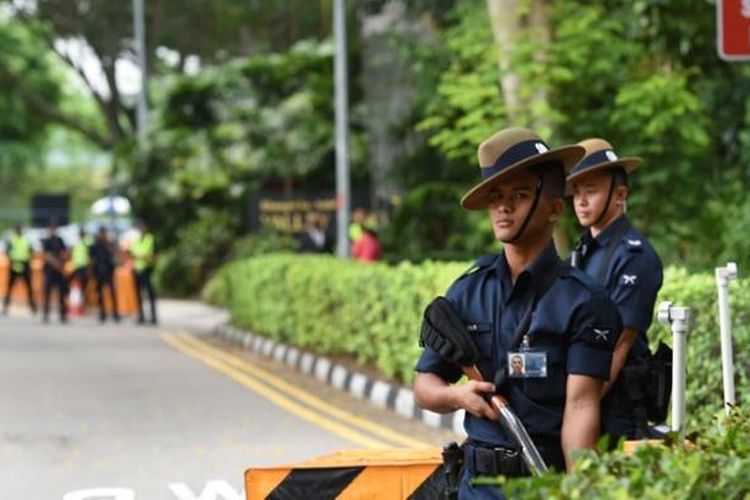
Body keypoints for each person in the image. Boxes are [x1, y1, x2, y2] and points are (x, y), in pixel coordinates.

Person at [413, 127, 622, 498]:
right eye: (496, 197)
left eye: (520, 195)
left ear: (555, 208)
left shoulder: (585, 301)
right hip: (476, 487)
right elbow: (425, 386)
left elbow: (581, 406)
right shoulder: (467, 291)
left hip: (543, 482)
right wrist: (459, 397)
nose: (503, 207)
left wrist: (579, 491)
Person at [567, 138, 664, 441]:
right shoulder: (583, 250)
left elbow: (620, 344)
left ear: (620, 195)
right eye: (576, 192)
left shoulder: (634, 255)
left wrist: (574, 409)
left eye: (591, 191)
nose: (581, 201)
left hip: (615, 408)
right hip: (583, 400)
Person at [2, 224, 37, 315]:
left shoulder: (25, 240)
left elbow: (31, 251)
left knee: (28, 287)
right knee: (9, 288)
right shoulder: (12, 240)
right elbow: (7, 252)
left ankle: (32, 306)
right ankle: (6, 307)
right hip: (14, 264)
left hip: (24, 264)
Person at [90, 226, 120, 323]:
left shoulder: (109, 244)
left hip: (109, 272)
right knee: (100, 294)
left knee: (112, 293)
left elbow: (114, 254)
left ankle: (115, 314)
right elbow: (92, 259)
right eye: (101, 233)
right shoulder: (95, 245)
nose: (103, 235)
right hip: (99, 273)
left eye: (104, 233)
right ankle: (102, 314)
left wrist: (109, 244)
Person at [130, 221, 158, 325]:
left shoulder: (150, 238)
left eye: (143, 228)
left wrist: (143, 256)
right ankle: (141, 316)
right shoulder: (135, 240)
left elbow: (152, 255)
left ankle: (153, 317)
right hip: (137, 270)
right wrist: (143, 256)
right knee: (138, 294)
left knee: (150, 293)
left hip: (147, 269)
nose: (141, 230)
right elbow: (132, 254)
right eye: (140, 228)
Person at [41, 222, 68, 324]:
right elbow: (46, 255)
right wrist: (57, 264)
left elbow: (64, 252)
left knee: (61, 294)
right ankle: (46, 314)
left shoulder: (60, 240)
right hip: (50, 271)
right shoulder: (46, 241)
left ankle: (63, 315)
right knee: (47, 294)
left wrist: (62, 261)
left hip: (59, 272)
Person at [69, 228, 92, 308]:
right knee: (73, 283)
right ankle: (79, 301)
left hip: (84, 267)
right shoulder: (77, 242)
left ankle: (83, 302)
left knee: (84, 285)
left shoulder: (87, 242)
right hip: (76, 266)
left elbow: (90, 255)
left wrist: (89, 267)